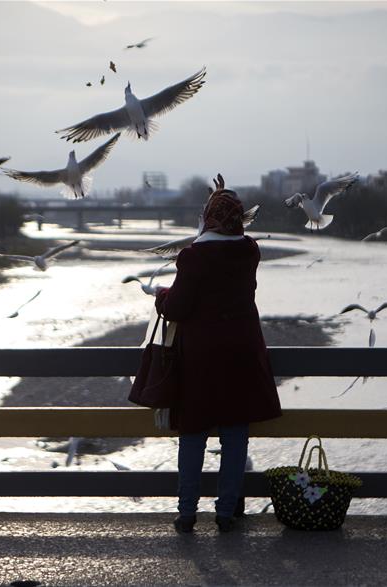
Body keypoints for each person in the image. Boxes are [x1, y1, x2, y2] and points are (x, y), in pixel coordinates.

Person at [154, 174, 281, 533]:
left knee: (193, 433)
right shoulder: (250, 250)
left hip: (202, 359)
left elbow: (177, 308)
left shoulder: (194, 257)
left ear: (208, 217)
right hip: (242, 354)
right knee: (235, 432)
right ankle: (226, 512)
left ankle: (187, 512)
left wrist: (161, 295)